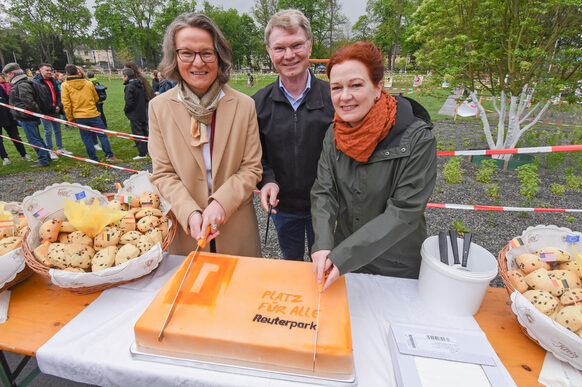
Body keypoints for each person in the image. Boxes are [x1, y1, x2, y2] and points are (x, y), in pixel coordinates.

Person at [311, 42, 437, 291]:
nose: (344, 96)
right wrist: (324, 244)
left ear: (378, 88)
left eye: (356, 85)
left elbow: (404, 212)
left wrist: (344, 255)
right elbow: (324, 191)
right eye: (336, 88)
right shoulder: (333, 133)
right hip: (342, 260)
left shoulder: (418, 139)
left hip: (396, 264)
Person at [149, 12, 262, 257]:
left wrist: (222, 202)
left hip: (236, 228)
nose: (198, 63)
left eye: (206, 53)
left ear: (219, 56)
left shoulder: (244, 105)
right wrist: (189, 211)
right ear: (174, 57)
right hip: (185, 229)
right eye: (187, 53)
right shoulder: (158, 107)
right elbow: (163, 173)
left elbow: (252, 167)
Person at [252, 9, 334, 261]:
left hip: (328, 207)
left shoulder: (335, 98)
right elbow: (255, 156)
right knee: (292, 261)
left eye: (296, 45)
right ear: (269, 52)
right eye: (280, 48)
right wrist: (267, 180)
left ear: (309, 46)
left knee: (327, 265)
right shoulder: (257, 104)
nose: (289, 55)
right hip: (284, 208)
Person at [60, 64, 120, 162]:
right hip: (93, 114)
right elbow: (96, 98)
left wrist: (70, 118)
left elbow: (66, 104)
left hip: (79, 116)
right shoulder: (88, 83)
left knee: (86, 138)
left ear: (66, 73)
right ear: (77, 71)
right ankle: (110, 156)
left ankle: (93, 158)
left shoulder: (65, 85)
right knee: (102, 135)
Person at [3, 62, 51, 168]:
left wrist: (30, 113)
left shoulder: (22, 85)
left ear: (11, 74)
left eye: (7, 75)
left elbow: (29, 102)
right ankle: (45, 156)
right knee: (37, 138)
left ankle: (43, 159)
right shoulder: (22, 83)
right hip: (27, 116)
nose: (6, 77)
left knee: (33, 139)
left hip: (27, 117)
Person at [33, 63, 72, 159]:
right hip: (45, 111)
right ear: (40, 70)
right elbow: (41, 99)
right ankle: (50, 150)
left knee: (57, 130)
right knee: (48, 131)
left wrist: (59, 105)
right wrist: (52, 107)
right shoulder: (37, 82)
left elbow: (58, 95)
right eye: (47, 70)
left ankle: (60, 148)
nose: (49, 72)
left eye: (50, 70)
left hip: (56, 110)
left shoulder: (53, 81)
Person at [0, 73, 31, 165]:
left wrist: (12, 113)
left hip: (8, 117)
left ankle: (24, 154)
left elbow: (7, 99)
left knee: (15, 136)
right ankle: (5, 158)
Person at [122, 68, 149, 160]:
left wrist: (126, 110)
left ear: (126, 76)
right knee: (145, 131)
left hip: (135, 114)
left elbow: (129, 102)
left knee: (138, 133)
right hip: (142, 112)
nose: (122, 78)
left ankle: (142, 153)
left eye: (123, 76)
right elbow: (146, 98)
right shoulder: (140, 84)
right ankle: (149, 150)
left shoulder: (129, 87)